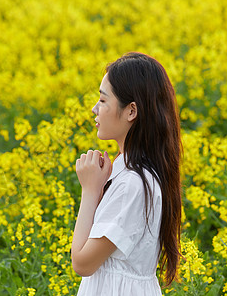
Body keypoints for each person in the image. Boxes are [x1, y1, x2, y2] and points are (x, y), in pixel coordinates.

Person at [71, 52, 182, 295]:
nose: (94, 109)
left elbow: (81, 263)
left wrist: (90, 191)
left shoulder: (134, 184)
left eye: (102, 100)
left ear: (131, 111)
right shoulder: (129, 171)